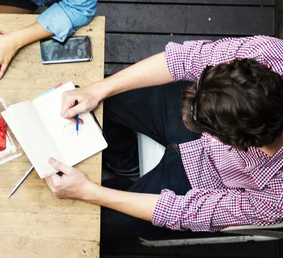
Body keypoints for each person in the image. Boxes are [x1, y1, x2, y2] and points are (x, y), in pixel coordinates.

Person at [44, 35, 283, 238]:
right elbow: (181, 59)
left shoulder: (277, 196)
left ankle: (120, 182)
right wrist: (97, 90)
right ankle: (124, 163)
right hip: (210, 107)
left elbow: (183, 212)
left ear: (235, 144)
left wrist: (89, 192)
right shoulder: (268, 52)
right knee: (95, 103)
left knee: (90, 222)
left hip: (202, 183)